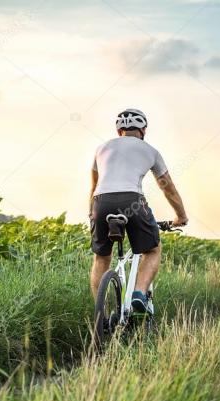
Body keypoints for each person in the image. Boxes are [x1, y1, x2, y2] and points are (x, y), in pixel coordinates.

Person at [89, 108, 188, 312]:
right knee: (152, 250)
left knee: (101, 257)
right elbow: (167, 186)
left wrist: (92, 214)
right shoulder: (150, 150)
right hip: (132, 201)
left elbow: (94, 186)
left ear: (119, 131)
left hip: (101, 202)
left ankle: (102, 315)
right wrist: (181, 216)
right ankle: (139, 294)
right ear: (143, 130)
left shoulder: (101, 149)